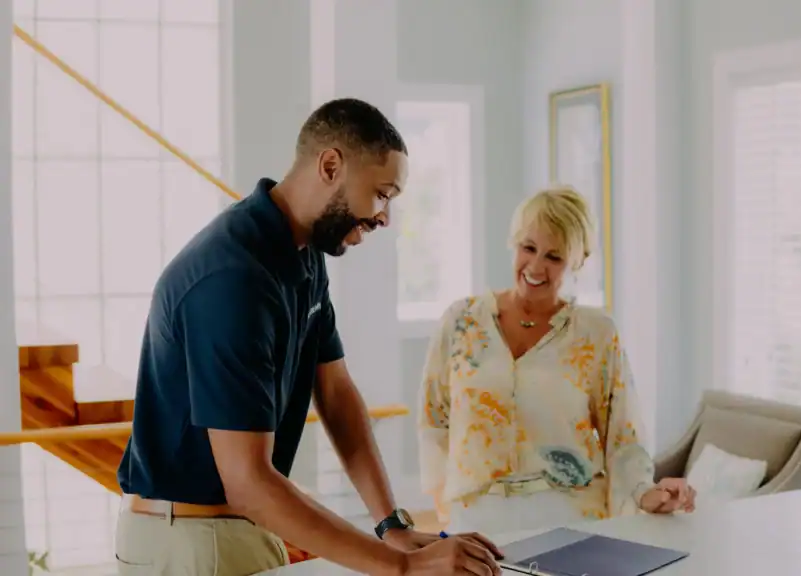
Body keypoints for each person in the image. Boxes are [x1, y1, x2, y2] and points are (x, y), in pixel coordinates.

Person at [115, 98, 502, 576]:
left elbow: (336, 394)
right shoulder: (232, 276)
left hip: (238, 532)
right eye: (382, 194)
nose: (385, 217)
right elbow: (249, 482)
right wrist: (404, 568)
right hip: (194, 543)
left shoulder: (302, 255)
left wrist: (392, 527)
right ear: (331, 165)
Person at [417, 186, 697, 536]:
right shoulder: (461, 321)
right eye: (528, 248)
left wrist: (643, 493)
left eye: (554, 256)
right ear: (513, 243)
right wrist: (447, 506)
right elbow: (433, 420)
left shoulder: (596, 333)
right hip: (477, 521)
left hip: (570, 518)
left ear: (577, 261)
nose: (536, 266)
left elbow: (624, 436)